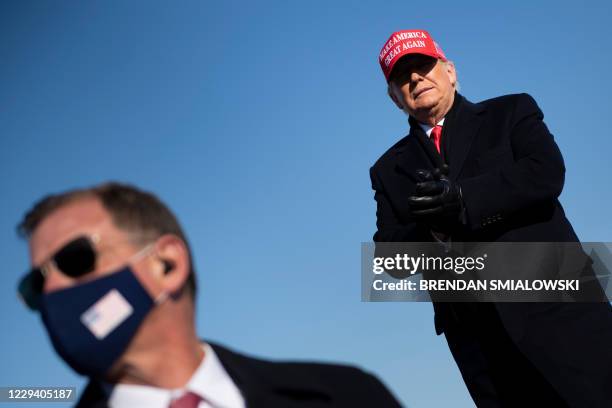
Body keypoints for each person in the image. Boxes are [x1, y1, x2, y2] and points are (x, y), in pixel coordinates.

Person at [370, 29, 612, 407]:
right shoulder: (388, 170)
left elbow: (546, 174)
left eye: (423, 65)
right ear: (393, 97)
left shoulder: (511, 112)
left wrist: (464, 199)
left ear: (449, 71)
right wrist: (432, 226)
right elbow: (389, 259)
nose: (416, 78)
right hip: (479, 343)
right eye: (403, 76)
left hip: (561, 314)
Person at [17, 182, 401, 408]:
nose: (51, 291)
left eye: (75, 259)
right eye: (35, 285)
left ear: (166, 265)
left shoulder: (347, 396)